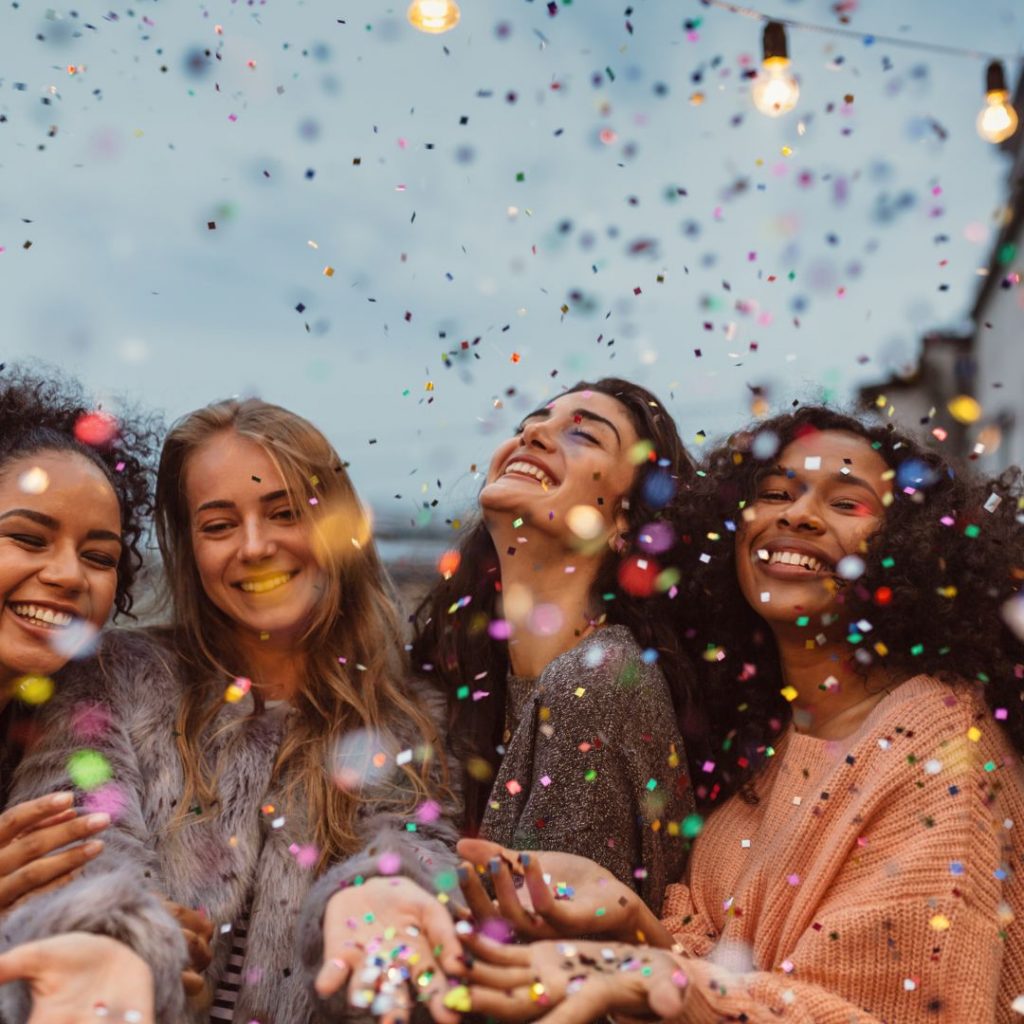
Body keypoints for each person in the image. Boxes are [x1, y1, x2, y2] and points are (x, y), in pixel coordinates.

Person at [456, 405, 1024, 1023]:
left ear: (913, 549)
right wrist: (629, 919)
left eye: (846, 503)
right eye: (775, 493)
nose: (798, 515)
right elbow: (729, 985)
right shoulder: (770, 740)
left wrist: (649, 968)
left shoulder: (941, 752)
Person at [5, 398, 464, 1024]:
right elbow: (78, 845)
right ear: (189, 546)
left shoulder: (414, 714)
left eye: (285, 513)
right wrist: (116, 938)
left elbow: (416, 845)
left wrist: (382, 894)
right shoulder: (113, 677)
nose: (255, 546)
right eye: (219, 525)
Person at [412, 378, 699, 915]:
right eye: (529, 424)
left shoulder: (596, 681)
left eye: (584, 436)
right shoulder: (474, 682)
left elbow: (550, 943)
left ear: (624, 520)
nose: (534, 434)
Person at [0, 367, 170, 1024]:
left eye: (99, 557)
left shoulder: (62, 724)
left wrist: (141, 940)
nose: (69, 575)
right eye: (27, 538)